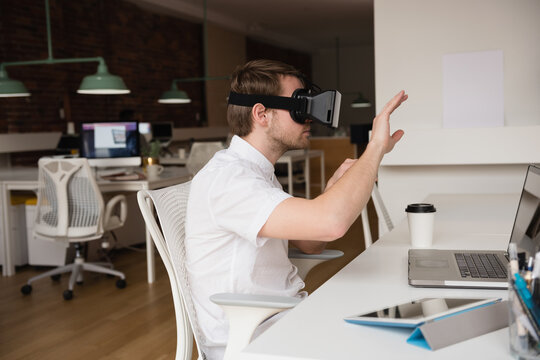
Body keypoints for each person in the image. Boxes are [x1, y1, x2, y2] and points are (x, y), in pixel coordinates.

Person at [185, 59, 407, 359]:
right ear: (261, 114)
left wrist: (333, 188)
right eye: (300, 107)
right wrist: (375, 147)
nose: (309, 119)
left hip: (284, 321)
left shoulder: (257, 173)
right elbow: (330, 224)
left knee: (393, 331)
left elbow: (310, 243)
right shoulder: (230, 179)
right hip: (256, 339)